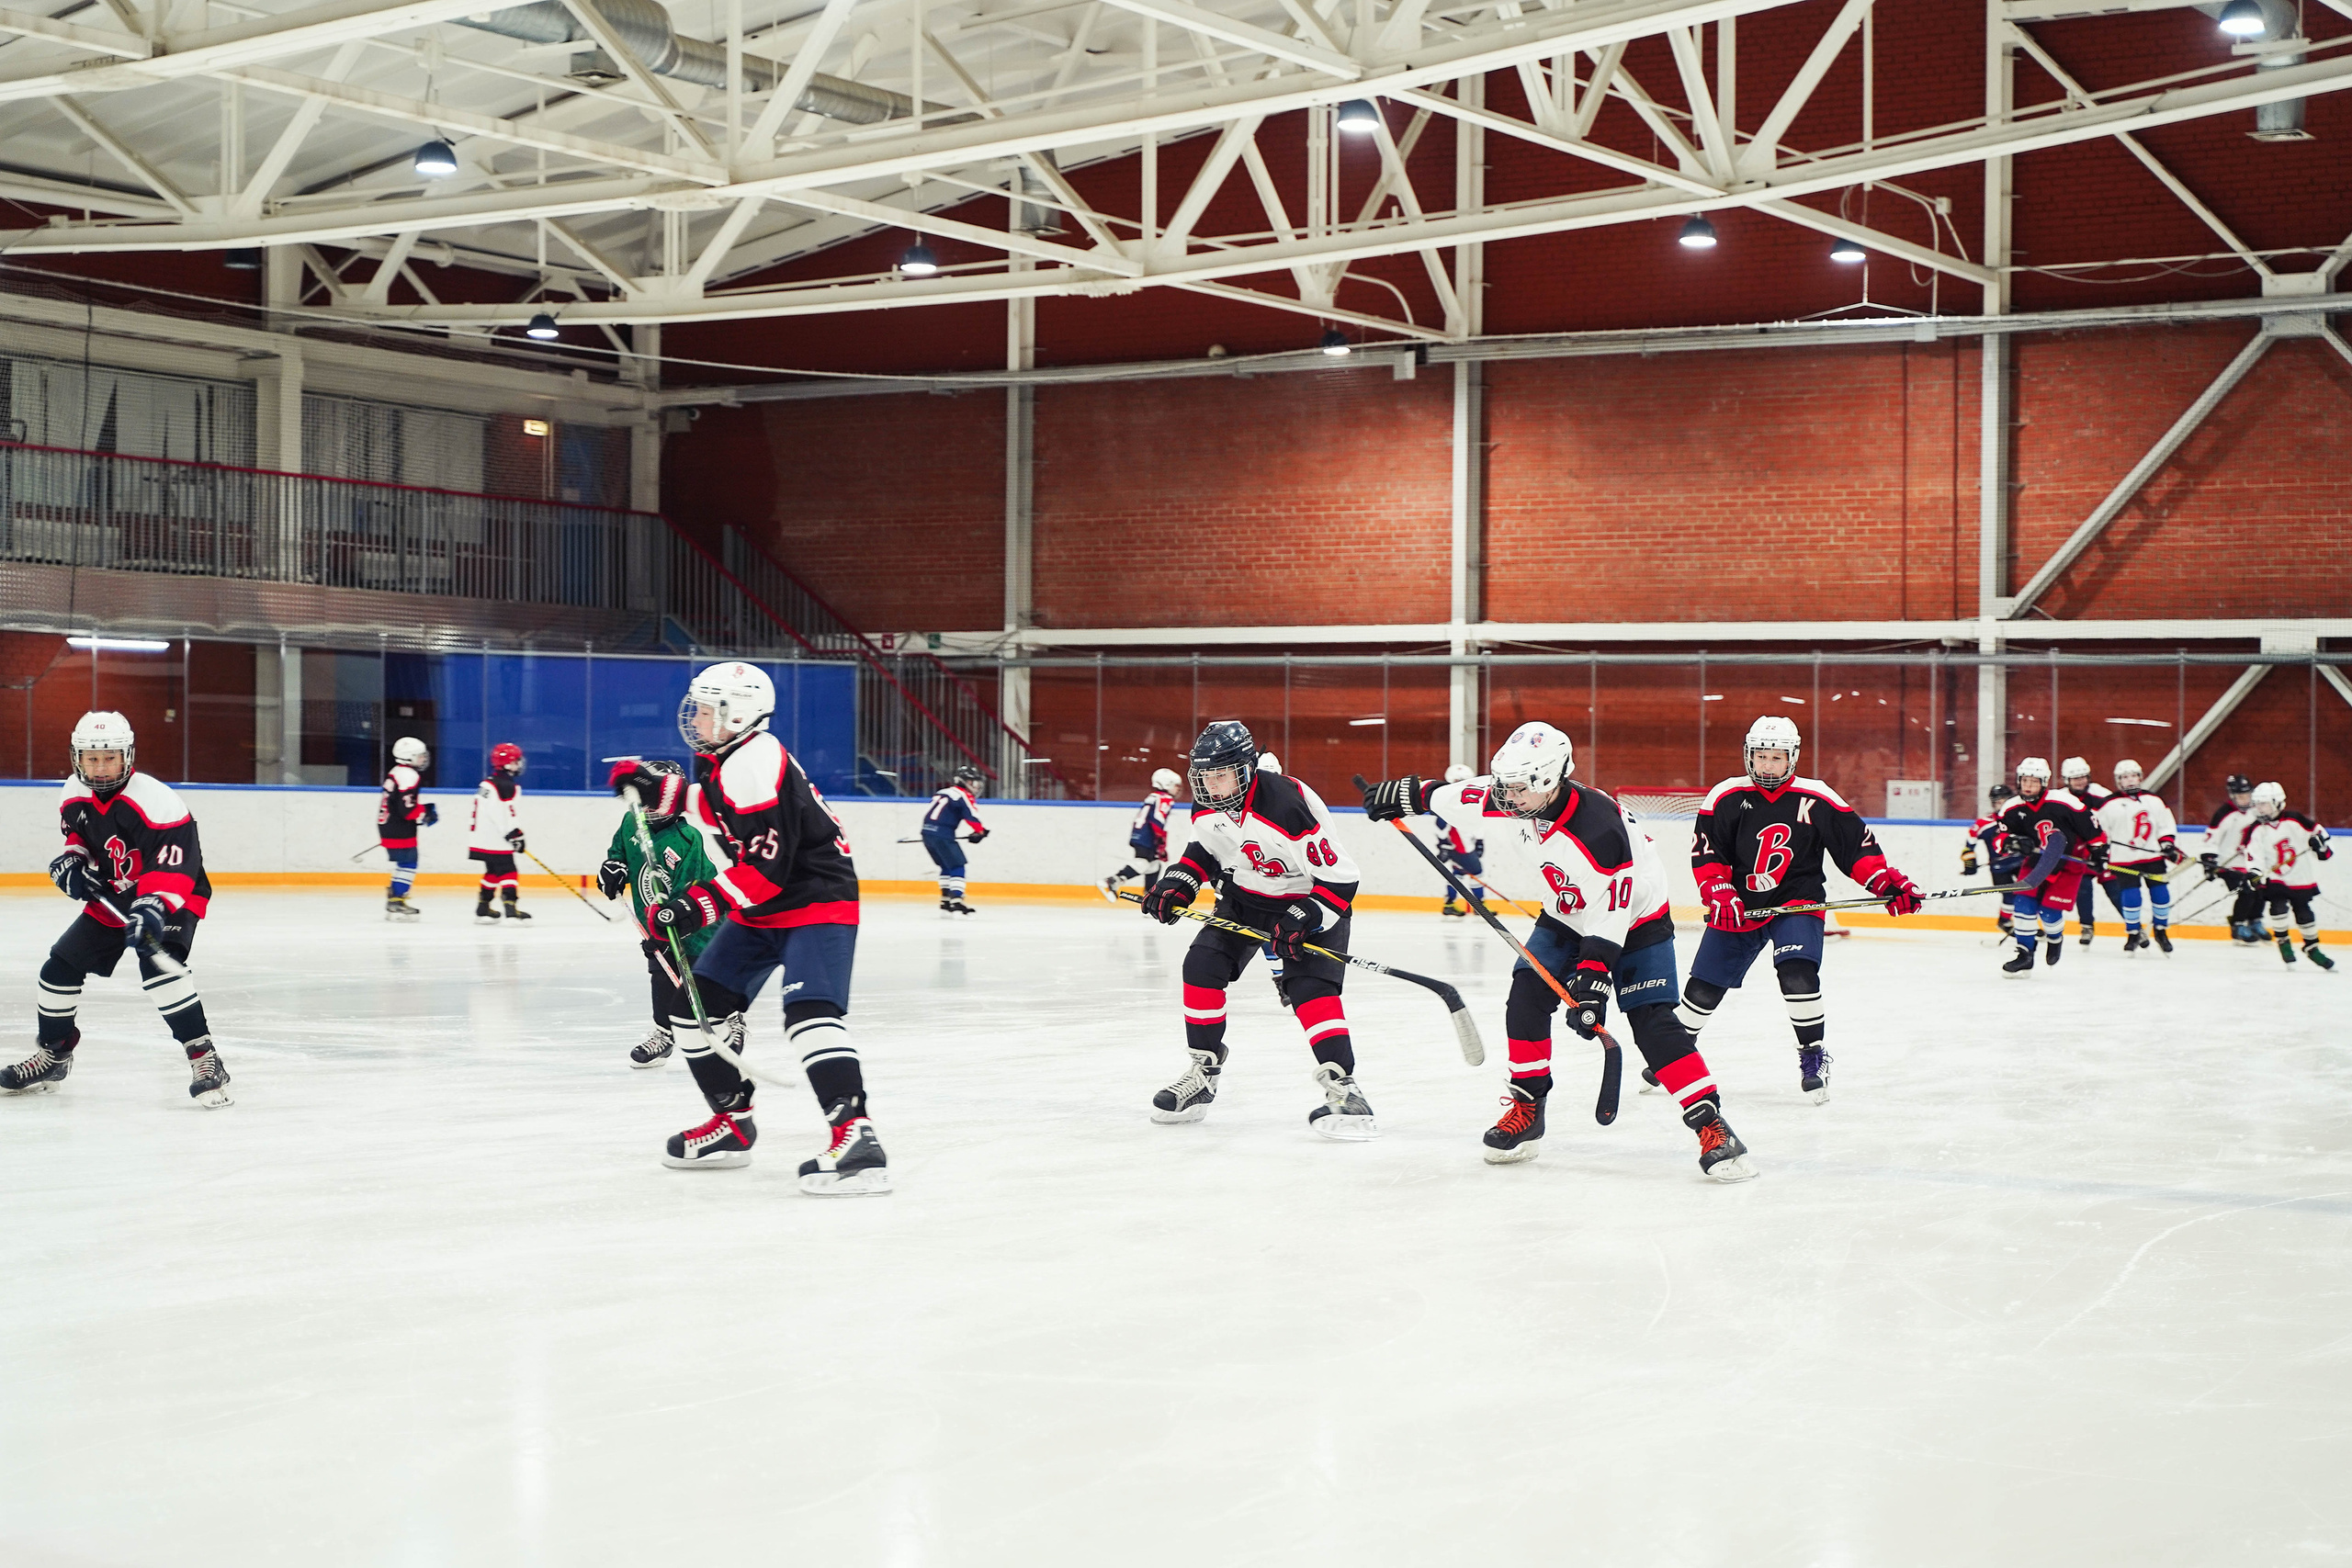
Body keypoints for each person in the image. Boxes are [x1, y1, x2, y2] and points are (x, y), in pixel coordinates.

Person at [1363, 722, 1758, 1181]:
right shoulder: (1514, 797)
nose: (1506, 796)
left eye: (1517, 788)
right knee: (1526, 997)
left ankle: (1712, 1125)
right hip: (1566, 915)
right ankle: (1528, 1108)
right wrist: (1407, 795)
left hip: (1636, 919)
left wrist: (1592, 979)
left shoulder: (1598, 831)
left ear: (1550, 780)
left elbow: (1612, 911)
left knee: (1653, 1023)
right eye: (1505, 785)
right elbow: (1457, 797)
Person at [619, 660, 886, 1195]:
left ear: (736, 714)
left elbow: (767, 869)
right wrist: (663, 790)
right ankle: (732, 1123)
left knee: (810, 1014)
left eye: (706, 709)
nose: (695, 718)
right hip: (766, 903)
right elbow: (722, 809)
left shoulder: (754, 764)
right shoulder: (732, 758)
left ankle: (856, 1139)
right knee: (691, 1010)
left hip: (815, 899)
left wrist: (697, 904)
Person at [1666, 716, 1924, 1105]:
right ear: (1748, 756)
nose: (1768, 765)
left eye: (1777, 757)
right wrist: (1719, 891)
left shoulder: (1818, 797)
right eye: (1761, 756)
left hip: (1797, 902)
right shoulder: (1725, 795)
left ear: (1793, 758)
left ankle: (1812, 1055)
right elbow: (1708, 853)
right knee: (1703, 988)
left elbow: (1856, 849)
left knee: (1797, 972)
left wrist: (1886, 883)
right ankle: (1673, 1055)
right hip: (1739, 907)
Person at [1138, 722, 1376, 1140]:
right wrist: (1180, 880)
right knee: (1201, 966)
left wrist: (1305, 916)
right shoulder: (1208, 804)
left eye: (1221, 775)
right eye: (1205, 776)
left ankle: (1345, 1089)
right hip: (1245, 899)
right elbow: (1206, 851)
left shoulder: (1286, 805)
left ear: (1247, 769)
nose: (1211, 786)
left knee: (1310, 991)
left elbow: (1340, 879)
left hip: (1309, 897)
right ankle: (1203, 1074)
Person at [4, 712, 230, 1107]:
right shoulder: (73, 792)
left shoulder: (157, 801)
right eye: (92, 758)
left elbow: (177, 865)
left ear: (127, 756)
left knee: (159, 968)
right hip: (117, 893)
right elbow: (81, 835)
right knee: (58, 969)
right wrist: (73, 861)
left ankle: (204, 1058)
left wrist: (153, 907)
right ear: (77, 758)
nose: (101, 767)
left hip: (174, 893)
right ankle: (54, 1057)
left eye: (110, 758)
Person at [597, 759, 724, 1066]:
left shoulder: (687, 838)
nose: (649, 809)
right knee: (661, 974)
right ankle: (664, 1034)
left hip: (697, 927)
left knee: (697, 978)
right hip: (653, 921)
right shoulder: (631, 822)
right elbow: (619, 852)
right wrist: (613, 868)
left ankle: (726, 1018)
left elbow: (688, 890)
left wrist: (670, 932)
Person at [1996, 758, 2108, 975]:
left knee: (2049, 912)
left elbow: (2094, 832)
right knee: (2023, 904)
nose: (2028, 786)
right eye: (2024, 780)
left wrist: (2099, 852)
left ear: (2044, 782)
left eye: (2033, 781)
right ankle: (2025, 954)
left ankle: (2055, 939)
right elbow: (1999, 838)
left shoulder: (2067, 803)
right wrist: (2012, 842)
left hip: (2068, 865)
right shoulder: (2011, 807)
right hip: (2036, 862)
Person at [2233, 782, 2335, 968]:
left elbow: (2321, 836)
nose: (2259, 808)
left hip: (2300, 876)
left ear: (2278, 803)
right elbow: (2254, 855)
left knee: (2304, 913)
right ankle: (2283, 942)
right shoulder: (2256, 829)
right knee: (2278, 907)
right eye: (2257, 804)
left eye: (2264, 804)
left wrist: (2319, 845)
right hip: (2276, 878)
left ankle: (2312, 948)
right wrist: (2254, 873)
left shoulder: (2295, 820)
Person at [2093, 760, 2184, 953]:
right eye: (2125, 777)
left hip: (2153, 858)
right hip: (2123, 860)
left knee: (2161, 893)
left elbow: (2165, 825)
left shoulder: (2154, 800)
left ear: (2140, 777)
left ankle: (2161, 931)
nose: (2130, 780)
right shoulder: (2107, 805)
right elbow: (2099, 832)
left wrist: (2167, 844)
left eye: (2133, 776)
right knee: (2132, 896)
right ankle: (2133, 933)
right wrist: (2101, 851)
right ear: (2118, 781)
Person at [468, 741, 530, 923]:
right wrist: (515, 834)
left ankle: (483, 907)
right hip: (496, 839)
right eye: (516, 761)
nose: (519, 764)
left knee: (493, 871)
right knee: (509, 871)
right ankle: (511, 910)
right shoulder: (507, 786)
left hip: (481, 838)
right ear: (508, 764)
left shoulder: (487, 783)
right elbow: (504, 814)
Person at [376, 736, 436, 921]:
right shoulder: (409, 775)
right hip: (399, 828)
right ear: (409, 757)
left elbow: (399, 803)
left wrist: (422, 810)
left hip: (389, 824)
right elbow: (407, 810)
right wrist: (424, 812)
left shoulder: (397, 771)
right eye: (420, 756)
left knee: (404, 863)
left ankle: (395, 898)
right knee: (409, 863)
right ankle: (396, 901)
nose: (423, 759)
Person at [2204, 774, 2267, 943]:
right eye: (2240, 796)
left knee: (2261, 891)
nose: (2245, 799)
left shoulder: (2258, 811)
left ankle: (2255, 921)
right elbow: (2211, 838)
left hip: (2251, 863)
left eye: (2247, 795)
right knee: (2246, 893)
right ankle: (2238, 925)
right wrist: (2209, 861)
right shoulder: (2224, 813)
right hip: (2228, 865)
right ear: (2232, 796)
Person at [1102, 768, 1182, 897]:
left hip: (1140, 833)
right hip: (1148, 835)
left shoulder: (1153, 796)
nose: (1178, 789)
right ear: (1166, 784)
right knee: (1143, 862)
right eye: (1176, 786)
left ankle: (1150, 896)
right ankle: (1114, 880)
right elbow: (1157, 820)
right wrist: (1160, 842)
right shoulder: (1165, 798)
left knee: (1154, 865)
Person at [922, 764, 989, 916]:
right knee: (958, 865)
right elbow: (971, 815)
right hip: (943, 834)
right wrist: (980, 831)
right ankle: (957, 900)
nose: (975, 786)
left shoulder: (942, 792)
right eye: (972, 782)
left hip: (927, 833)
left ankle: (945, 899)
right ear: (962, 781)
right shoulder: (963, 795)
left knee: (946, 865)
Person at [2060, 757, 2112, 945]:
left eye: (2083, 777)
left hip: (2102, 850)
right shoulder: (2060, 798)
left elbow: (2114, 820)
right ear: (2067, 780)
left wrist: (2103, 847)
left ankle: (2134, 928)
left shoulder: (2102, 795)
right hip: (2078, 853)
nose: (2080, 782)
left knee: (2114, 888)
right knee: (2082, 887)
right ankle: (2087, 926)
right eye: (2075, 778)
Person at [1964, 784, 2023, 938]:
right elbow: (1969, 844)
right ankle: (2004, 921)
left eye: (2005, 801)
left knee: (2028, 893)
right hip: (1999, 867)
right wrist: (1969, 862)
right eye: (1998, 801)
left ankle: (2024, 923)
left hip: (2020, 862)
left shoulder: (2019, 819)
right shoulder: (1984, 823)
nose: (2001, 804)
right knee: (2009, 895)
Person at [1432, 762, 1488, 918]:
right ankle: (1480, 907)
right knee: (1477, 872)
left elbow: (1476, 821)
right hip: (1461, 846)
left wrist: (1479, 841)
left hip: (1463, 844)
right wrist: (1443, 845)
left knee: (1458, 873)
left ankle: (1449, 904)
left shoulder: (1462, 799)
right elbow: (1441, 824)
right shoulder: (1450, 801)